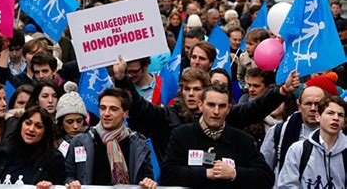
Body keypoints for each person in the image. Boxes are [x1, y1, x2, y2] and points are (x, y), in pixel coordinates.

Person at [113, 56, 299, 163]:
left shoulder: (220, 114)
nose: (191, 94)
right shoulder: (167, 115)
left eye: (197, 89)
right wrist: (122, 79)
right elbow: (140, 107)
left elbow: (253, 110)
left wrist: (281, 91)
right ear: (181, 92)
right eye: (187, 89)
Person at [160, 84, 275, 188]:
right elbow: (167, 174)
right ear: (200, 105)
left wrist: (234, 173)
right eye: (211, 105)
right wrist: (205, 173)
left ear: (228, 109)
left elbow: (266, 178)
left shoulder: (243, 140)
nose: (216, 111)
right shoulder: (182, 135)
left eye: (222, 106)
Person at [65, 88, 156, 189]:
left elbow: (146, 177)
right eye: (103, 108)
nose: (106, 113)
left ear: (125, 113)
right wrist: (72, 183)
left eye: (113, 109)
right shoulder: (80, 142)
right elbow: (69, 175)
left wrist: (148, 182)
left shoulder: (138, 144)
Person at [277, 95, 346, 188]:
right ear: (318, 117)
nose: (336, 118)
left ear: (345, 122)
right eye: (330, 113)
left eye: (340, 115)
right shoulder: (298, 149)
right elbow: (286, 185)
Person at [260, 85, 327, 178]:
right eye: (308, 104)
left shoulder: (335, 135)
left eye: (318, 104)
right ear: (299, 106)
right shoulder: (278, 131)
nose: (313, 108)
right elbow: (264, 170)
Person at [0, 106, 65, 185]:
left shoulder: (54, 159)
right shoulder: (1, 151)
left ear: (45, 132)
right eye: (28, 123)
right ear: (21, 124)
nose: (31, 129)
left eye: (38, 126)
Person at [55, 82, 88, 152]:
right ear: (61, 123)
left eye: (79, 121)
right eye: (70, 122)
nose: (75, 126)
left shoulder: (93, 140)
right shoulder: (52, 144)